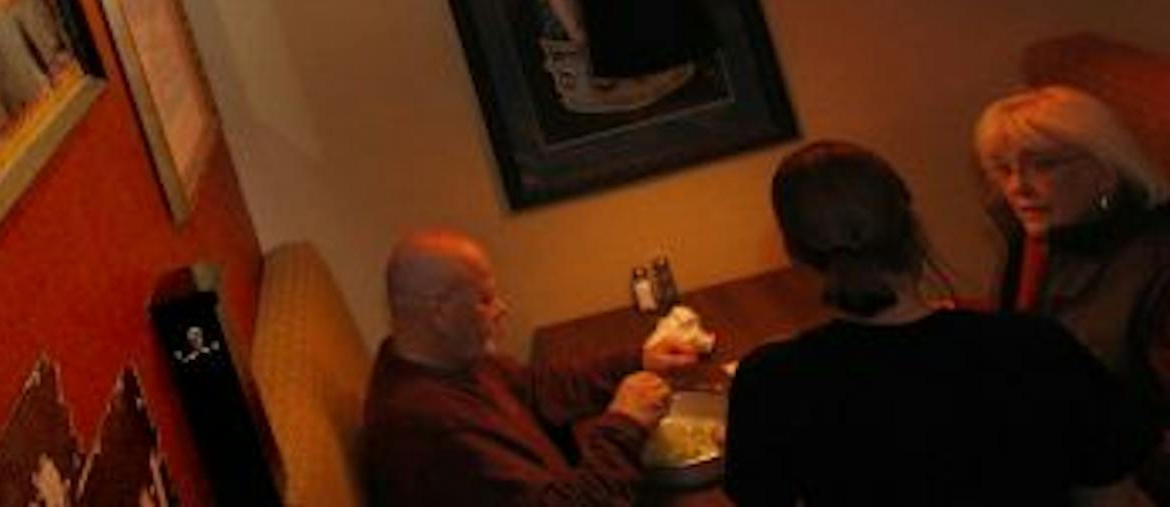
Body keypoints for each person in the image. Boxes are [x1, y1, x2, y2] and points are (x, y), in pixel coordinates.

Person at [726, 140, 1151, 506]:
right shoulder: (1034, 347)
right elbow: (1110, 490)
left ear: (794, 253)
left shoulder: (773, 381)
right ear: (913, 229)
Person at [361, 228, 704, 505]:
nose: (501, 308)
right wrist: (624, 424)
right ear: (440, 312)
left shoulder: (447, 359)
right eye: (484, 300)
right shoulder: (432, 431)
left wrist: (638, 361)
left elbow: (540, 387)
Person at [976, 85, 1170, 497]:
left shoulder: (1156, 263)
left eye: (1042, 165)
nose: (1017, 187)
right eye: (1003, 169)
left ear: (1106, 168)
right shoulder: (1036, 240)